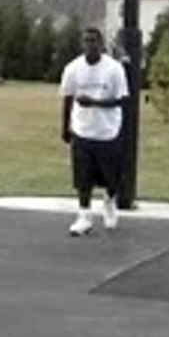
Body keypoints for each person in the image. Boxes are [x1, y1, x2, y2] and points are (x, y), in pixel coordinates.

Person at [59, 27, 130, 236]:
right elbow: (67, 97)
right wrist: (65, 127)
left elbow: (122, 100)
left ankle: (109, 203)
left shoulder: (114, 69)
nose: (90, 45)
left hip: (107, 131)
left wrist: (95, 103)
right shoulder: (73, 68)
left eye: (94, 41)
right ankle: (84, 216)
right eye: (86, 41)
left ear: (101, 44)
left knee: (110, 178)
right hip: (82, 130)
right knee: (83, 177)